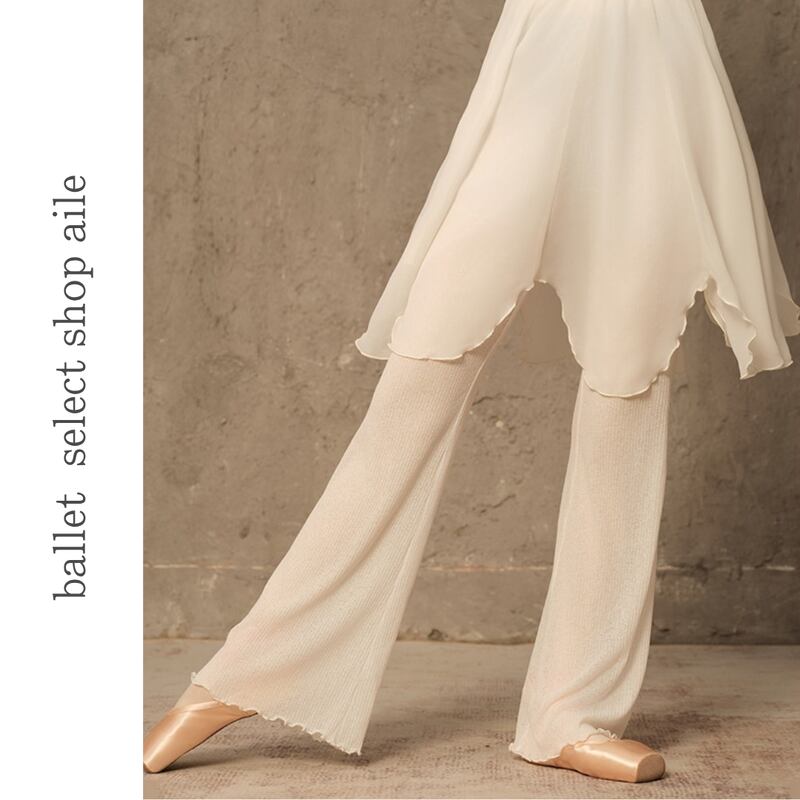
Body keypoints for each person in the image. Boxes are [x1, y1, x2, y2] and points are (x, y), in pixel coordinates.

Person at [144, 0, 799, 784]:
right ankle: (253, 670)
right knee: (425, 366)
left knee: (630, 375)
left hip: (658, 66)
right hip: (549, 55)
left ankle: (571, 710)